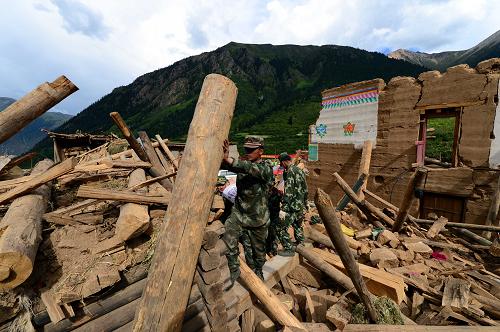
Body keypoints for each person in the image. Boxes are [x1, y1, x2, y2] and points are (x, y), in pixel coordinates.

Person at [222, 136, 274, 284]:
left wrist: (229, 160)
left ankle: (257, 274)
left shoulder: (265, 168)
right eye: (246, 149)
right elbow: (228, 167)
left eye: (252, 150)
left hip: (257, 219)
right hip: (239, 214)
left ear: (260, 151)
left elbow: (248, 168)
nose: (248, 152)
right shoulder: (242, 165)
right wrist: (222, 158)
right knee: (229, 237)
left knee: (256, 255)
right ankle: (234, 269)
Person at [277, 152, 308, 256]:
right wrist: (305, 203)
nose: (281, 166)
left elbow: (289, 191)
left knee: (280, 228)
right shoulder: (300, 170)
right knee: (297, 224)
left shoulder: (290, 171)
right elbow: (305, 188)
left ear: (284, 161)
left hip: (291, 206)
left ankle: (288, 249)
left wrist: (284, 208)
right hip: (300, 205)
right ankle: (301, 243)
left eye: (281, 163)